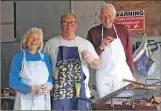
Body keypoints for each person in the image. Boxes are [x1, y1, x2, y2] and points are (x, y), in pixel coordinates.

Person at [44, 13, 100, 110]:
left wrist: (90, 59)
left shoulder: (85, 44)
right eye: (65, 23)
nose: (69, 26)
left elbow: (97, 65)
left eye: (72, 23)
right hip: (58, 95)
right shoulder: (51, 44)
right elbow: (43, 67)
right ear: (60, 25)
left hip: (80, 94)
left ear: (76, 25)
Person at [87, 3, 135, 99]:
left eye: (109, 15)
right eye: (104, 16)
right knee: (107, 105)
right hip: (104, 77)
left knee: (127, 103)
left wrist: (133, 74)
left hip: (123, 74)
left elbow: (129, 53)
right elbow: (90, 59)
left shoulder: (122, 29)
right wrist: (101, 47)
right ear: (100, 17)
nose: (107, 19)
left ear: (114, 16)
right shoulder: (93, 32)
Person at [9, 27, 53, 110]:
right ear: (26, 40)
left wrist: (49, 85)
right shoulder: (18, 57)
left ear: (40, 42)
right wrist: (31, 89)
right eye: (32, 38)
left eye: (37, 39)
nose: (34, 41)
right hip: (24, 101)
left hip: (42, 101)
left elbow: (50, 77)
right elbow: (12, 82)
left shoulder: (45, 57)